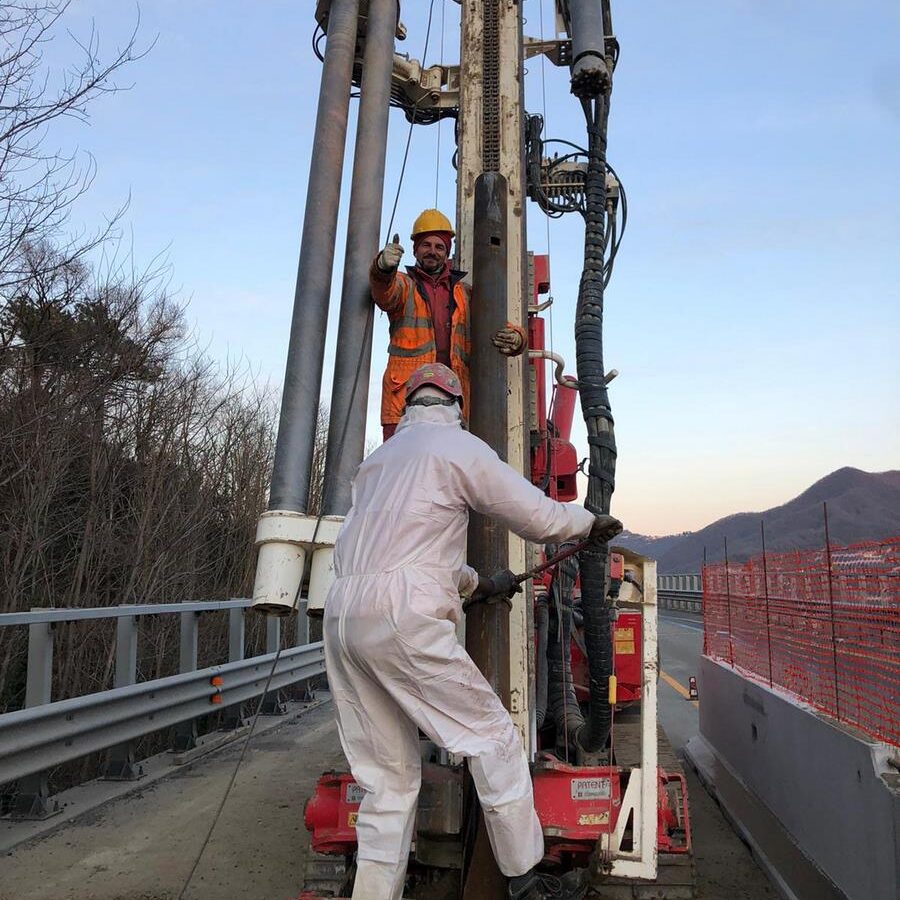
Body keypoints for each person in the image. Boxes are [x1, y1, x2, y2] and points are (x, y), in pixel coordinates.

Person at [323, 362, 623, 900]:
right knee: (492, 737)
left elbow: (403, 553)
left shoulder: (376, 464)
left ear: (408, 405)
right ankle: (526, 880)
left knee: (387, 782)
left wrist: (477, 583)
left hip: (344, 616)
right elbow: (536, 517)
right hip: (402, 618)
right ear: (456, 406)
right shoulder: (457, 447)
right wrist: (586, 522)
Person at [370, 208, 526, 441]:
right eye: (426, 245)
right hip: (405, 400)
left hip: (452, 403)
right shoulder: (404, 285)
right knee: (403, 472)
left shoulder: (465, 294)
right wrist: (382, 269)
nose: (432, 251)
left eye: (439, 246)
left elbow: (495, 322)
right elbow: (385, 293)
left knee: (448, 472)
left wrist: (518, 338)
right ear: (415, 250)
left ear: (447, 252)